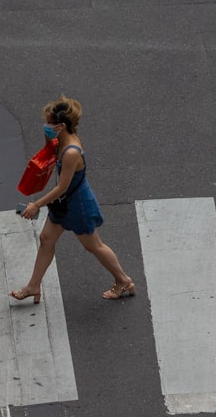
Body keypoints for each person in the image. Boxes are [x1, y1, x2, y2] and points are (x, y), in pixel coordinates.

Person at [10, 96, 135, 302]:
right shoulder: (62, 140)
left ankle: (123, 280)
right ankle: (33, 286)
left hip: (77, 205)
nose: (46, 126)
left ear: (61, 125)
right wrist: (49, 141)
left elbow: (62, 187)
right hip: (64, 203)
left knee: (93, 245)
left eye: (50, 123)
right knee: (46, 239)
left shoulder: (71, 152)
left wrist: (37, 204)